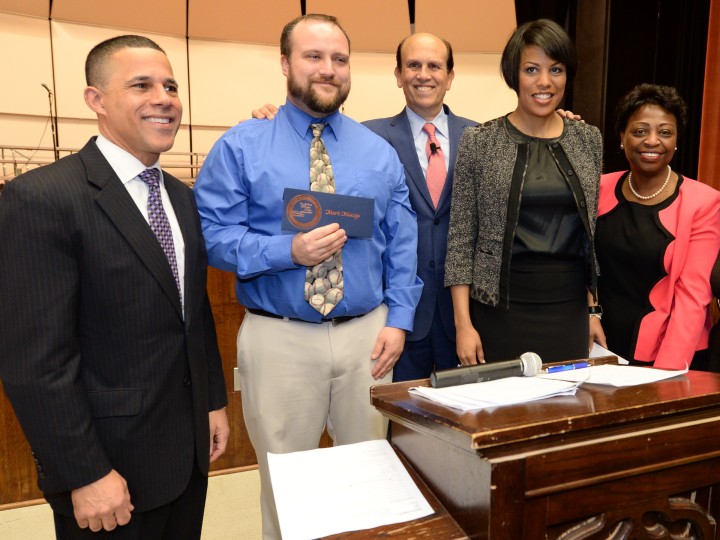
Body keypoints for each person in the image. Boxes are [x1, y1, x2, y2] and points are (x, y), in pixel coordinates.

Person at [193, 14, 421, 540]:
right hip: (280, 337)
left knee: (371, 475)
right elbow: (211, 235)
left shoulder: (377, 152)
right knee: (286, 480)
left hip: (370, 335)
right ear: (284, 64)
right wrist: (285, 250)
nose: (328, 69)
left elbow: (402, 244)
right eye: (313, 56)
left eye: (339, 59)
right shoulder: (242, 146)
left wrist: (399, 319)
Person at [0, 35, 229, 539]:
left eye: (170, 84)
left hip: (186, 458)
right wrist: (83, 472)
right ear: (96, 100)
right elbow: (36, 364)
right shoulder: (40, 200)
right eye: (141, 85)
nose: (164, 97)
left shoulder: (182, 199)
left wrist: (212, 401)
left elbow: (194, 317)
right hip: (108, 471)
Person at [445, 19, 603, 365]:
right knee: (502, 413)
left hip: (568, 309)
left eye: (556, 69)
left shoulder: (588, 140)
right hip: (499, 309)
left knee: (565, 409)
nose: (544, 82)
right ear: (513, 75)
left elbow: (588, 234)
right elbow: (460, 240)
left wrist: (593, 311)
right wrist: (463, 325)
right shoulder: (480, 142)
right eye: (532, 69)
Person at [594, 84, 720, 370]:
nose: (652, 141)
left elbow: (693, 298)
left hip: (667, 352)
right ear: (622, 138)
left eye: (665, 132)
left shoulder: (703, 202)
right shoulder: (598, 189)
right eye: (640, 131)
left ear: (676, 141)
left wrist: (666, 374)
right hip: (596, 347)